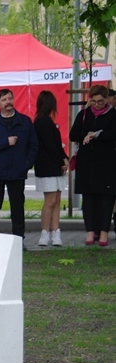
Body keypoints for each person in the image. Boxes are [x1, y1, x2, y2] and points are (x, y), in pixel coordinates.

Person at [0, 88, 38, 239]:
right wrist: (5, 142)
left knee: (17, 208)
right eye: (4, 100)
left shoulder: (25, 121)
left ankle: (19, 240)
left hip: (17, 171)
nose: (8, 102)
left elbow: (33, 145)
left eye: (10, 98)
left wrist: (26, 164)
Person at [69, 85, 116, 246]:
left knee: (106, 198)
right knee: (88, 197)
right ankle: (90, 230)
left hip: (107, 163)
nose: (97, 104)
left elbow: (113, 134)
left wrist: (98, 135)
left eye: (100, 101)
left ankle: (103, 232)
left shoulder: (113, 114)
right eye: (94, 101)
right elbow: (73, 135)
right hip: (86, 163)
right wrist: (87, 134)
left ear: (107, 99)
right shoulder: (84, 114)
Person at [33, 91, 69, 246]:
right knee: (51, 200)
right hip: (47, 166)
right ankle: (45, 233)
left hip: (53, 165)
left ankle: (55, 232)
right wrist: (62, 160)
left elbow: (55, 145)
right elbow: (50, 145)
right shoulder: (42, 122)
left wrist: (64, 158)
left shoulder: (46, 120)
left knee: (57, 200)